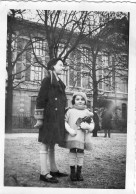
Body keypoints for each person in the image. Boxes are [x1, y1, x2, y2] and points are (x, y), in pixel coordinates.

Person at [34, 58, 68, 183]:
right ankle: (44, 173)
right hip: (48, 117)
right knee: (45, 143)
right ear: (53, 66)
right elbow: (40, 99)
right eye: (60, 65)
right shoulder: (47, 80)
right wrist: (40, 118)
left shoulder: (59, 82)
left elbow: (61, 101)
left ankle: (53, 170)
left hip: (56, 117)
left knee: (52, 143)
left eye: (63, 65)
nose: (62, 67)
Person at [65, 92, 94, 181]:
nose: (80, 101)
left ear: (85, 101)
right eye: (77, 99)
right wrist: (69, 130)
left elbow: (92, 123)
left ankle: (79, 172)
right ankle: (72, 172)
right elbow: (64, 121)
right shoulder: (70, 111)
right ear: (73, 100)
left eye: (82, 100)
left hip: (83, 135)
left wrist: (89, 127)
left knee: (81, 152)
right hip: (73, 134)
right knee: (73, 150)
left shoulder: (87, 112)